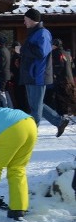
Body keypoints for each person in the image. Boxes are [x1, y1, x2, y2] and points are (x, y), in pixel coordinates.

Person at [20, 8, 69, 136]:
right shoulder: (34, 32)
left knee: (35, 108)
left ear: (31, 19)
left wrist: (22, 49)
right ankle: (59, 121)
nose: (24, 22)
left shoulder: (42, 33)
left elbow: (42, 52)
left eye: (25, 19)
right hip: (32, 75)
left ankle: (31, 134)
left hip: (38, 75)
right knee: (37, 104)